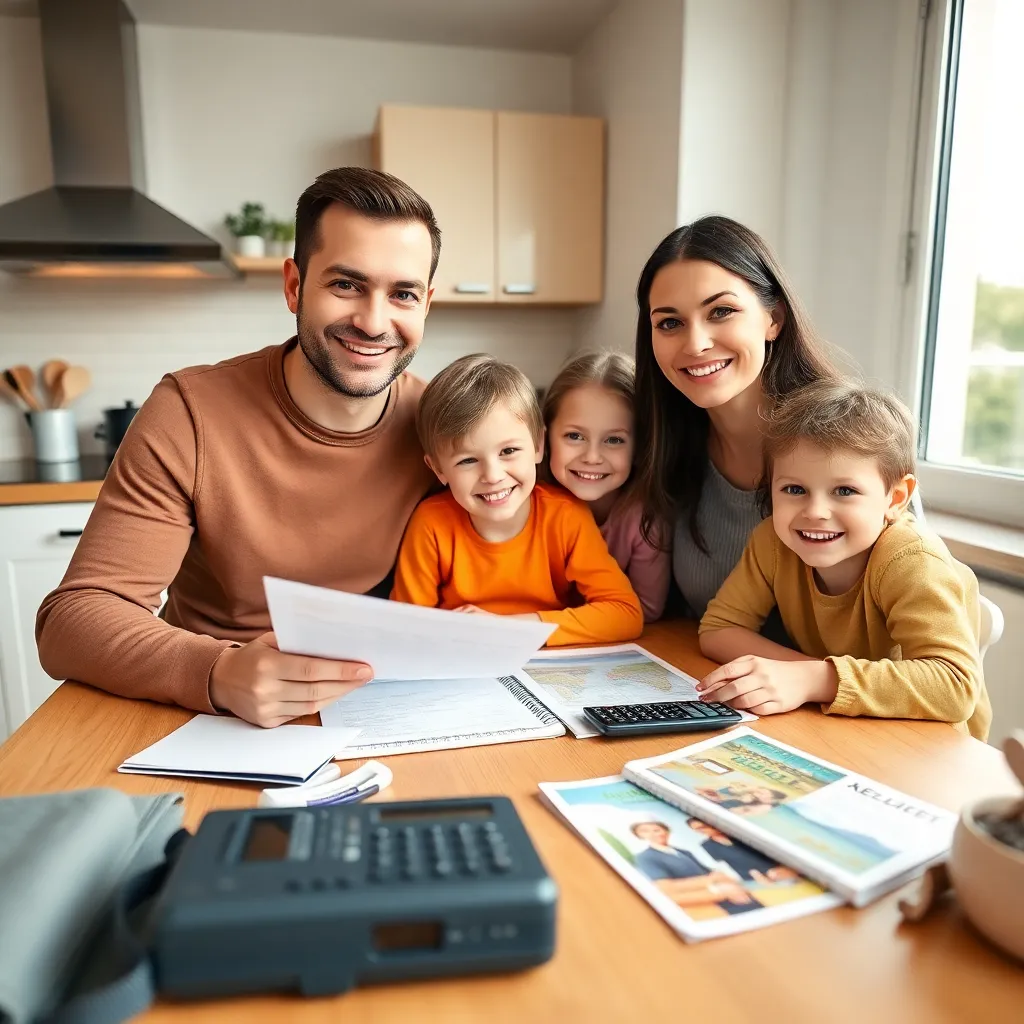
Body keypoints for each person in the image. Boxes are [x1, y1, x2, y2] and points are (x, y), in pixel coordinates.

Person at [36, 167, 442, 727]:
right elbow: (72, 620)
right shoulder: (190, 411)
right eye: (345, 284)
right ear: (295, 286)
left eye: (402, 294)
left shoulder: (442, 424)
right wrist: (219, 673)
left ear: (426, 304)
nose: (374, 322)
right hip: (210, 714)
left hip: (379, 708)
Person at [696, 380, 990, 740]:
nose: (816, 512)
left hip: (927, 746)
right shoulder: (772, 541)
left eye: (845, 491)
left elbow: (954, 687)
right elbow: (718, 629)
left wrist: (816, 679)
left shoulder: (911, 560)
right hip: (836, 727)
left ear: (895, 498)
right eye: (794, 489)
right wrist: (809, 677)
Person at [631, 215, 840, 623]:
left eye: (721, 311)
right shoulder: (665, 447)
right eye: (670, 323)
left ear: (773, 318)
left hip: (837, 688)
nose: (696, 344)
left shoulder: (848, 440)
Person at [391, 354, 643, 646]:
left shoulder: (567, 516)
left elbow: (625, 613)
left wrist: (506, 628)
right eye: (468, 460)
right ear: (438, 469)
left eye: (508, 451)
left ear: (538, 445)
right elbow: (405, 628)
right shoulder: (431, 524)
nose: (493, 475)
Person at [542, 351, 671, 622]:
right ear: (545, 438)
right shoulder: (527, 505)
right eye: (575, 436)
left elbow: (645, 609)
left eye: (614, 440)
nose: (591, 457)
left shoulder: (645, 520)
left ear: (639, 448)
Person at [629, 820, 760, 915]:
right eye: (645, 831)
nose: (653, 833)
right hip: (703, 900)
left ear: (666, 831)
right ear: (640, 836)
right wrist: (714, 885)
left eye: (657, 829)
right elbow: (666, 887)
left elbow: (708, 872)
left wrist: (722, 878)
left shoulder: (684, 852)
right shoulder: (645, 857)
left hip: (728, 894)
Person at [686, 818, 799, 885]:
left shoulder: (736, 833)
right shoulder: (707, 845)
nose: (702, 831)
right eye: (697, 830)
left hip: (772, 867)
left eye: (703, 826)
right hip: (750, 875)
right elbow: (727, 864)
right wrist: (755, 875)